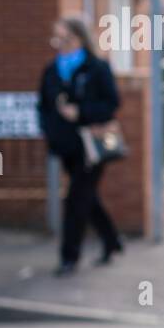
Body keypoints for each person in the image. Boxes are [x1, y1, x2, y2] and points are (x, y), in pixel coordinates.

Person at [37, 15, 124, 276]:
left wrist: (81, 113)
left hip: (91, 146)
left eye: (64, 38)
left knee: (75, 199)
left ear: (78, 38)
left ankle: (69, 257)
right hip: (65, 146)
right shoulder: (52, 70)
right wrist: (49, 129)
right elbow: (43, 105)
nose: (59, 44)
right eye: (57, 38)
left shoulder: (96, 67)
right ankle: (111, 240)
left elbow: (111, 103)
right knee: (87, 197)